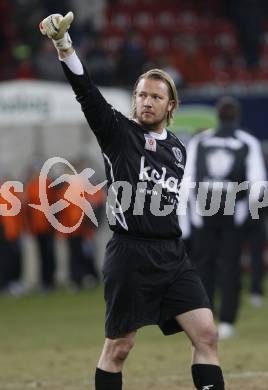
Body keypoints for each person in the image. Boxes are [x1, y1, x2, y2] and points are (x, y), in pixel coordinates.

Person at [39, 12, 225, 390]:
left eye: (156, 96)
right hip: (129, 253)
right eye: (141, 94)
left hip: (172, 255)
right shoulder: (118, 133)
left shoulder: (177, 150)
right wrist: (64, 46)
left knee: (206, 333)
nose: (146, 102)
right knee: (119, 348)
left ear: (170, 106)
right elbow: (86, 91)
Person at [185, 96, 267, 339]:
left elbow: (187, 180)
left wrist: (192, 215)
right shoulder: (247, 142)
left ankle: (205, 318)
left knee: (203, 266)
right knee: (230, 266)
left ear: (217, 116)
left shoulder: (200, 141)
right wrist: (250, 215)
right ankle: (228, 321)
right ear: (237, 116)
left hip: (203, 211)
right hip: (234, 212)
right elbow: (258, 183)